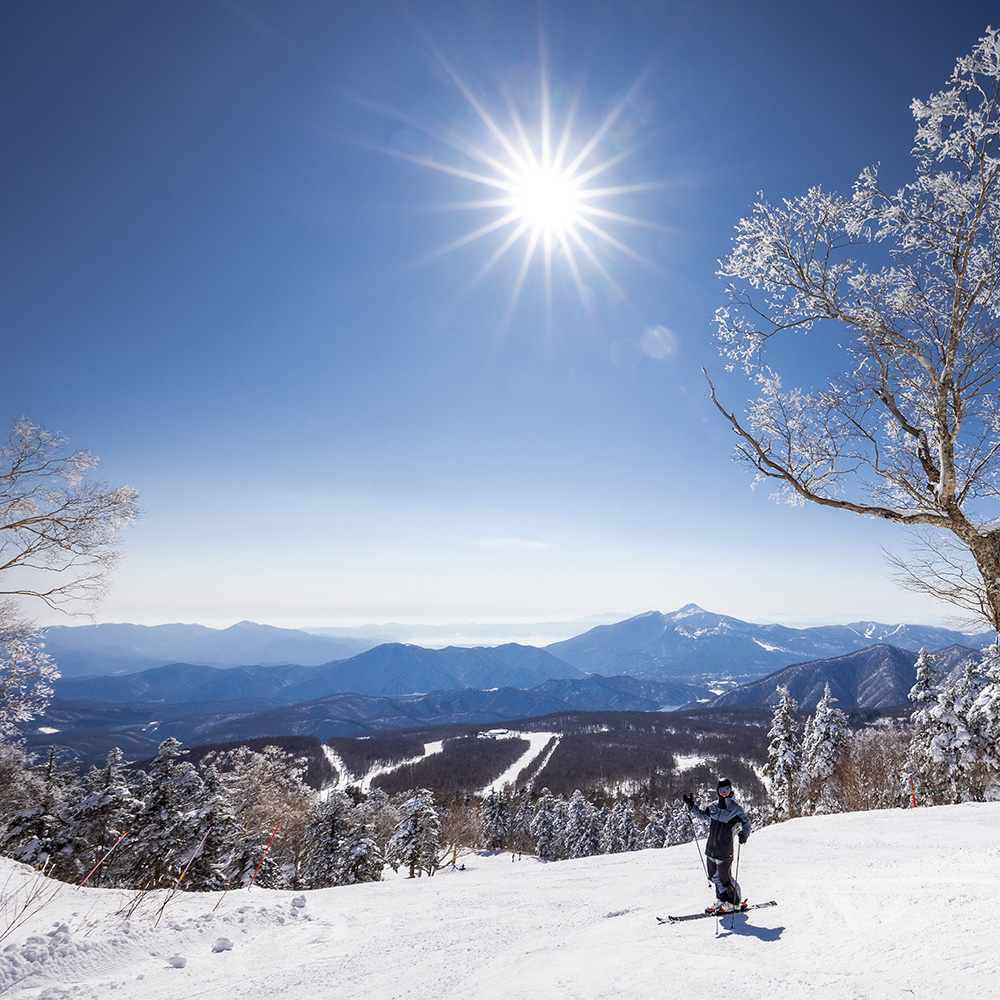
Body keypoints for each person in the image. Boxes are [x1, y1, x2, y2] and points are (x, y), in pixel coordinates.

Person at [683, 777, 751, 914]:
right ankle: (722, 900)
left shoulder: (735, 809)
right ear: (717, 791)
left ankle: (735, 903)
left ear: (731, 790)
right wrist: (692, 806)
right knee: (714, 877)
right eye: (721, 790)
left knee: (725, 879)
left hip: (725, 850)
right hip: (711, 849)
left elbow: (746, 822)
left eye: (727, 789)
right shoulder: (713, 807)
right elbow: (703, 816)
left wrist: (744, 834)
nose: (724, 793)